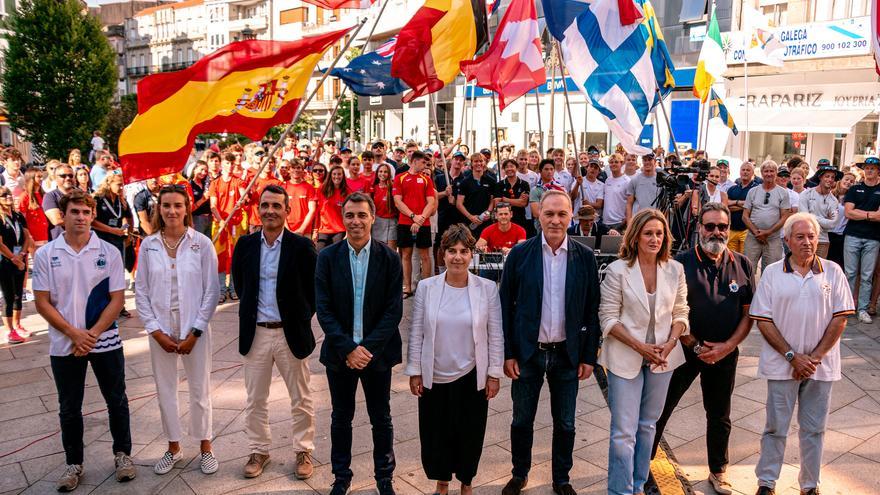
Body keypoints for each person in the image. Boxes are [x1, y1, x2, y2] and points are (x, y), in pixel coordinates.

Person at [499, 189, 600, 495]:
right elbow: (505, 307)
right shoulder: (520, 254)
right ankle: (520, 473)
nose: (555, 220)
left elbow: (591, 310)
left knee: (566, 423)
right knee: (521, 420)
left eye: (562, 214)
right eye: (549, 214)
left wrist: (588, 356)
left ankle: (562, 478)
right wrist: (508, 353)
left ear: (571, 217)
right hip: (529, 354)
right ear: (538, 216)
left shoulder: (584, 257)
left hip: (567, 355)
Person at [33, 189, 135, 492]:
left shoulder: (109, 252)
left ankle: (123, 456)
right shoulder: (46, 254)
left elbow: (117, 299)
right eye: (74, 212)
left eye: (86, 212)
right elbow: (42, 302)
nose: (80, 217)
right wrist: (74, 333)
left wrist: (91, 334)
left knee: (116, 400)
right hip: (65, 343)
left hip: (105, 340)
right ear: (63, 216)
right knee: (69, 407)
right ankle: (74, 463)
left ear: (93, 215)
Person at [651, 203, 754, 495]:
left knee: (719, 415)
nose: (717, 232)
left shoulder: (742, 263)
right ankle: (642, 463)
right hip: (684, 350)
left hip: (724, 353)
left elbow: (748, 313)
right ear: (700, 228)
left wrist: (728, 346)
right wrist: (694, 345)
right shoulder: (680, 264)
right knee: (661, 408)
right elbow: (671, 312)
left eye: (722, 227)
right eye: (710, 226)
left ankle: (718, 472)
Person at [749, 212, 854, 495]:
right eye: (800, 237)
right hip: (782, 364)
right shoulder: (772, 272)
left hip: (821, 367)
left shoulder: (833, 271)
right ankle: (766, 483)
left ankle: (810, 485)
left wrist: (814, 358)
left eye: (811, 236)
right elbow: (763, 319)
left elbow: (840, 319)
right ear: (786, 241)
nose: (807, 242)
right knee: (775, 428)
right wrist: (793, 356)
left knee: (814, 429)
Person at [315, 193, 403, 495]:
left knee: (382, 417)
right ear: (343, 217)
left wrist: (366, 349)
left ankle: (384, 476)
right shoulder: (327, 257)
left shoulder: (389, 258)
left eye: (361, 215)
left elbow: (394, 310)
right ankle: (341, 476)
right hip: (341, 355)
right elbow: (323, 308)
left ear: (373, 217)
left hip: (376, 355)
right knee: (341, 417)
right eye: (350, 215)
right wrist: (348, 348)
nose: (356, 221)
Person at [406, 224, 503, 495]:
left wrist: (493, 373)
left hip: (472, 374)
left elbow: (495, 333)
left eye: (463, 251)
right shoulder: (427, 287)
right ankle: (442, 482)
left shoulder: (486, 289)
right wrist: (415, 370)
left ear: (472, 254)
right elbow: (416, 331)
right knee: (436, 433)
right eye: (451, 251)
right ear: (442, 254)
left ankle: (467, 482)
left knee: (470, 432)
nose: (457, 257)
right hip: (434, 374)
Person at [598, 208, 689, 495]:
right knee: (624, 433)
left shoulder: (675, 269)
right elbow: (608, 318)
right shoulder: (617, 270)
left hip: (663, 357)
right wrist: (641, 348)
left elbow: (681, 312)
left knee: (648, 426)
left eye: (659, 233)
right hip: (625, 356)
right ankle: (619, 491)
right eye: (648, 233)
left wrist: (672, 342)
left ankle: (637, 486)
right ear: (635, 236)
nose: (654, 238)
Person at [231, 184, 319, 480]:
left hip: (289, 334)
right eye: (265, 205)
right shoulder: (245, 245)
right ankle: (259, 450)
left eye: (276, 206)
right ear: (259, 208)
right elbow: (241, 285)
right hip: (256, 334)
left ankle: (303, 450)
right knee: (255, 398)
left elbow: (314, 291)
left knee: (301, 398)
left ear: (287, 210)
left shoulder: (302, 246)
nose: (270, 210)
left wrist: (300, 317)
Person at [135, 185, 220, 475]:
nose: (172, 211)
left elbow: (212, 291)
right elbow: (141, 291)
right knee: (165, 391)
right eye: (166, 205)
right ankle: (173, 447)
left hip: (194, 328)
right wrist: (155, 331)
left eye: (178, 206)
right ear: (159, 209)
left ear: (187, 209)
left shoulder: (202, 244)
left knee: (200, 390)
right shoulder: (149, 246)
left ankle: (205, 447)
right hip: (161, 328)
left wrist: (196, 330)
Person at [842, 156, 880, 323]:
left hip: (873, 238)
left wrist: (860, 214)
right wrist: (870, 215)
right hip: (852, 235)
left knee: (866, 275)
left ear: (878, 170)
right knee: (849, 273)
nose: (869, 170)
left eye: (873, 168)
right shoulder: (854, 189)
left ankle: (862, 308)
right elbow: (848, 212)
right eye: (867, 167)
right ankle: (848, 306)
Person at [393, 151, 436, 297]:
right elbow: (398, 201)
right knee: (406, 255)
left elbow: (431, 202)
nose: (425, 165)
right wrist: (413, 216)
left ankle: (426, 288)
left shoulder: (426, 179)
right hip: (405, 222)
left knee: (425, 255)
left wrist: (421, 218)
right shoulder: (400, 178)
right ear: (414, 161)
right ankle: (407, 287)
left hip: (423, 223)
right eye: (423, 162)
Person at [743, 161, 791, 275]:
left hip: (773, 239)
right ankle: (749, 293)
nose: (769, 174)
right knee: (746, 270)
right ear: (762, 173)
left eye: (772, 171)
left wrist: (768, 232)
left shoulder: (783, 193)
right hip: (753, 237)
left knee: (772, 273)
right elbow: (745, 216)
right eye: (766, 171)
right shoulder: (753, 191)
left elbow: (785, 217)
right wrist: (756, 232)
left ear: (776, 173)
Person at [0, 185, 32, 344]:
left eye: (9, 195)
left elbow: (27, 237)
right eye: (4, 196)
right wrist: (14, 258)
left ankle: (17, 324)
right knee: (8, 295)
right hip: (5, 261)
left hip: (20, 257)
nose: (8, 197)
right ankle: (9, 330)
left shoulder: (18, 215)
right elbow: (0, 244)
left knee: (19, 294)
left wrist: (22, 255)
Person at [799, 163, 842, 259]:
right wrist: (824, 219)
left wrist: (811, 216)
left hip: (823, 240)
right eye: (827, 176)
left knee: (818, 270)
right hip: (805, 239)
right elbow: (804, 217)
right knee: (802, 267)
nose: (830, 179)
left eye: (832, 177)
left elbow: (833, 224)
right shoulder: (806, 194)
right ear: (820, 177)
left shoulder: (833, 200)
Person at [456, 152, 498, 236]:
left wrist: (488, 212)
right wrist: (470, 217)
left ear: (484, 163)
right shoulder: (465, 182)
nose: (478, 163)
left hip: (485, 220)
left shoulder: (491, 181)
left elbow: (492, 200)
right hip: (469, 222)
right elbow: (459, 204)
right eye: (475, 161)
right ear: (471, 163)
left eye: (481, 161)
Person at [727, 162, 760, 253]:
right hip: (732, 229)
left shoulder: (756, 189)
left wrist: (734, 204)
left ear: (753, 173)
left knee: (745, 259)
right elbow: (726, 205)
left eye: (748, 170)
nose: (745, 172)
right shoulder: (732, 189)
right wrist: (741, 203)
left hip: (747, 230)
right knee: (731, 259)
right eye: (743, 170)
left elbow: (755, 206)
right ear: (740, 172)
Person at [828, 171, 856, 268]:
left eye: (852, 181)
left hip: (842, 235)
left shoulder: (852, 198)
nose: (848, 182)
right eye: (846, 179)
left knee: (839, 263)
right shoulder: (830, 194)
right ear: (840, 180)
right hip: (829, 233)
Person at [528, 159, 564, 233]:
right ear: (540, 171)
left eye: (551, 169)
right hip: (541, 227)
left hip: (559, 224)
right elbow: (536, 213)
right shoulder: (535, 190)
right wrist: (552, 217)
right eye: (546, 169)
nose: (549, 172)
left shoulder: (560, 188)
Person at [495, 159, 531, 233]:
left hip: (520, 220)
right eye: (507, 167)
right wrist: (517, 201)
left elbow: (523, 203)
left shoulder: (524, 184)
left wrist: (504, 199)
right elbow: (497, 204)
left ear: (516, 168)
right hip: (503, 221)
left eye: (512, 166)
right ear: (504, 169)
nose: (509, 169)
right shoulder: (499, 185)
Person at [42, 163, 76, 240]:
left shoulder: (82, 195)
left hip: (81, 241)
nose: (67, 178)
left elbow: (92, 217)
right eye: (63, 176)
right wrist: (82, 221)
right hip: (60, 242)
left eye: (70, 175)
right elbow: (57, 220)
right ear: (55, 178)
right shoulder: (50, 196)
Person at [625, 152, 660, 224]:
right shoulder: (634, 180)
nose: (647, 162)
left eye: (649, 160)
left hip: (655, 220)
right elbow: (629, 203)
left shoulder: (661, 180)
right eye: (645, 160)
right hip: (638, 221)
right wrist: (629, 223)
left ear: (655, 161)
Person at [19, 168, 49, 247]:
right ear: (31, 178)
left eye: (42, 176)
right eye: (38, 176)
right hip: (32, 237)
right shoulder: (25, 196)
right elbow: (22, 219)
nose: (41, 179)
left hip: (44, 235)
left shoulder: (44, 195)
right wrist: (28, 236)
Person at [371, 163, 397, 249]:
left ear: (389, 174)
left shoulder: (393, 187)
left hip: (391, 221)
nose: (382, 174)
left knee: (391, 250)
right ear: (377, 173)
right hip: (378, 221)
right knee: (378, 249)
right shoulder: (374, 188)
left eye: (385, 172)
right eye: (380, 171)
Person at [603, 153, 630, 231]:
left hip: (619, 222)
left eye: (616, 162)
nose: (613, 164)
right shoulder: (607, 180)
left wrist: (626, 219)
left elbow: (630, 202)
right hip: (605, 222)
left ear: (621, 163)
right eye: (611, 162)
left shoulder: (627, 181)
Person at [190, 161, 213, 237]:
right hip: (197, 219)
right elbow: (190, 208)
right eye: (201, 170)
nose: (204, 173)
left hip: (209, 218)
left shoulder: (207, 184)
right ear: (195, 169)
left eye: (206, 171)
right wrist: (203, 199)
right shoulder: (189, 185)